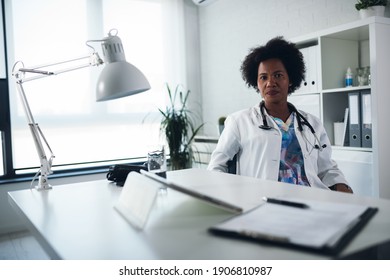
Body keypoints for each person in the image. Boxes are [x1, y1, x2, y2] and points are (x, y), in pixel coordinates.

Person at [207, 37, 352, 193]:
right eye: (263, 77)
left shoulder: (312, 124)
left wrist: (342, 186)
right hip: (261, 202)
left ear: (290, 79)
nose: (270, 83)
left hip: (311, 200)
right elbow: (217, 166)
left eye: (278, 75)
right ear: (256, 83)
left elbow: (327, 168)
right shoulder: (239, 122)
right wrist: (231, 196)